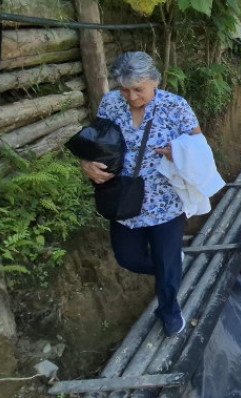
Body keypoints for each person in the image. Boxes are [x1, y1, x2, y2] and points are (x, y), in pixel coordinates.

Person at [80, 52, 202, 337]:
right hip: (124, 199)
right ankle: (172, 265)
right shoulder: (110, 103)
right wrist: (87, 164)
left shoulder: (175, 106)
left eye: (139, 89)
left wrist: (180, 153)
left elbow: (199, 143)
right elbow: (98, 144)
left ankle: (170, 310)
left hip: (165, 201)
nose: (132, 97)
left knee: (165, 263)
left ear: (155, 82)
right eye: (125, 89)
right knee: (128, 258)